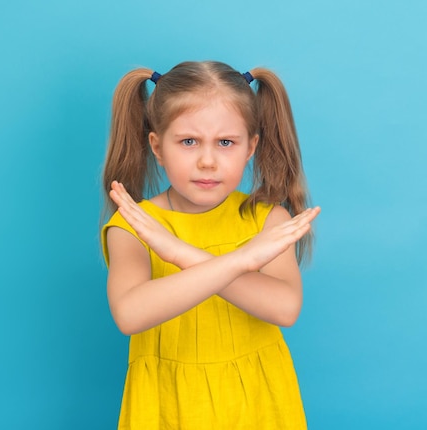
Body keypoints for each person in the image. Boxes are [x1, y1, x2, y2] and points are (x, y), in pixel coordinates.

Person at [100, 60, 320, 429]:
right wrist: (240, 260)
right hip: (169, 404)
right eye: (188, 141)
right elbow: (129, 314)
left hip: (256, 400)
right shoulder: (135, 226)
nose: (207, 161)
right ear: (157, 146)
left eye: (225, 142)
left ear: (250, 147)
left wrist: (181, 254)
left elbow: (285, 308)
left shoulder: (267, 219)